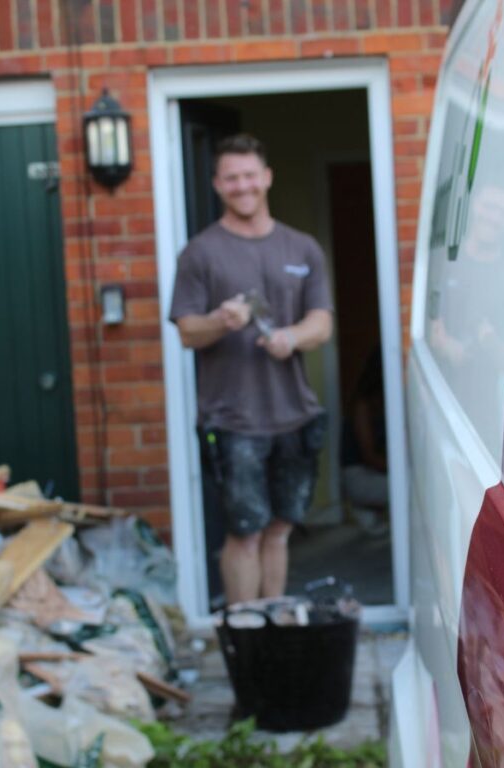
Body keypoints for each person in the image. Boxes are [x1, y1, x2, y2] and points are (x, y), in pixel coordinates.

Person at [169, 134, 333, 605]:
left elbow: (321, 324)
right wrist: (221, 321)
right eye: (231, 178)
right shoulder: (200, 253)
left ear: (266, 178)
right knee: (244, 533)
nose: (242, 186)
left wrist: (290, 338)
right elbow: (186, 332)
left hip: (295, 414)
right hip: (233, 420)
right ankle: (245, 628)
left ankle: (274, 623)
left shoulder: (302, 249)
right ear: (218, 185)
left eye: (249, 176)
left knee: (279, 530)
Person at [340, 349, 389, 536]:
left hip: (375, 471)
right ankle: (362, 505)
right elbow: (369, 456)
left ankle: (368, 511)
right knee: (410, 491)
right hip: (359, 475)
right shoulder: (362, 405)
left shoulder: (384, 402)